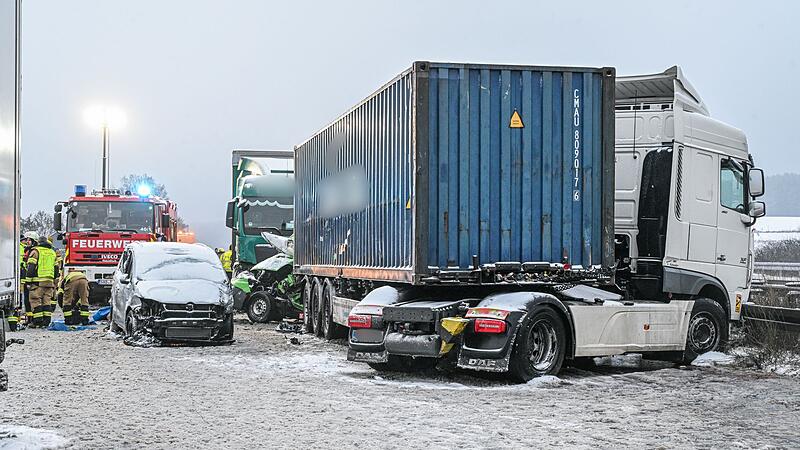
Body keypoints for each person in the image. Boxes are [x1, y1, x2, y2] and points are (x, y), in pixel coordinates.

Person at [25, 235, 59, 328]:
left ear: (38, 242)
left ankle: (37, 321)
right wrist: (53, 279)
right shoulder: (52, 252)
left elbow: (31, 267)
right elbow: (56, 268)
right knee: (46, 301)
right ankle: (46, 322)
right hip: (49, 282)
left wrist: (28, 281)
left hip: (38, 281)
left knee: (35, 300)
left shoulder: (36, 251)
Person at [20, 231, 40, 327]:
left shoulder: (34, 251)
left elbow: (32, 268)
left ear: (34, 241)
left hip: (32, 281)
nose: (27, 241)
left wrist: (28, 281)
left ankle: (34, 320)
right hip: (26, 280)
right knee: (26, 301)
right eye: (26, 239)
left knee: (32, 300)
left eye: (29, 240)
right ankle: (29, 318)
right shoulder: (27, 251)